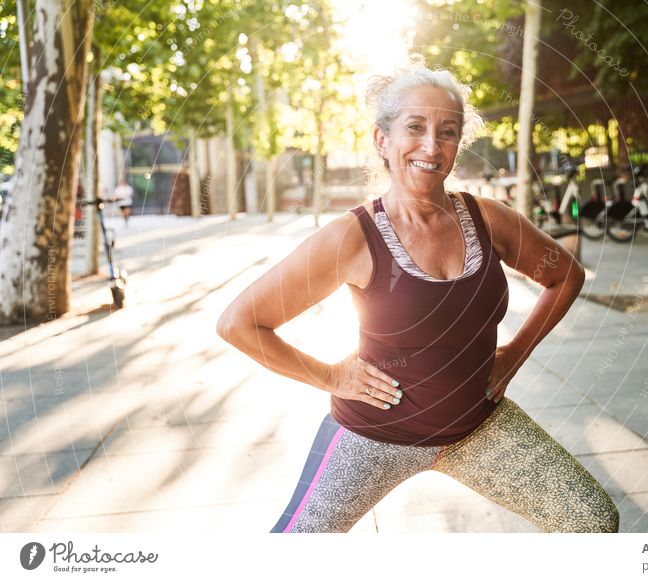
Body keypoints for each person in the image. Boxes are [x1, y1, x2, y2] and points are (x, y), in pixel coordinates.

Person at [216, 57, 619, 534]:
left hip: (477, 428)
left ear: (457, 145)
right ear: (382, 140)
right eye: (415, 127)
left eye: (447, 131)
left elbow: (566, 276)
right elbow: (238, 323)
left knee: (591, 521)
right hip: (373, 435)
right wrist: (331, 377)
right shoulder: (350, 237)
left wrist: (513, 356)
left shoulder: (490, 219)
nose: (431, 145)